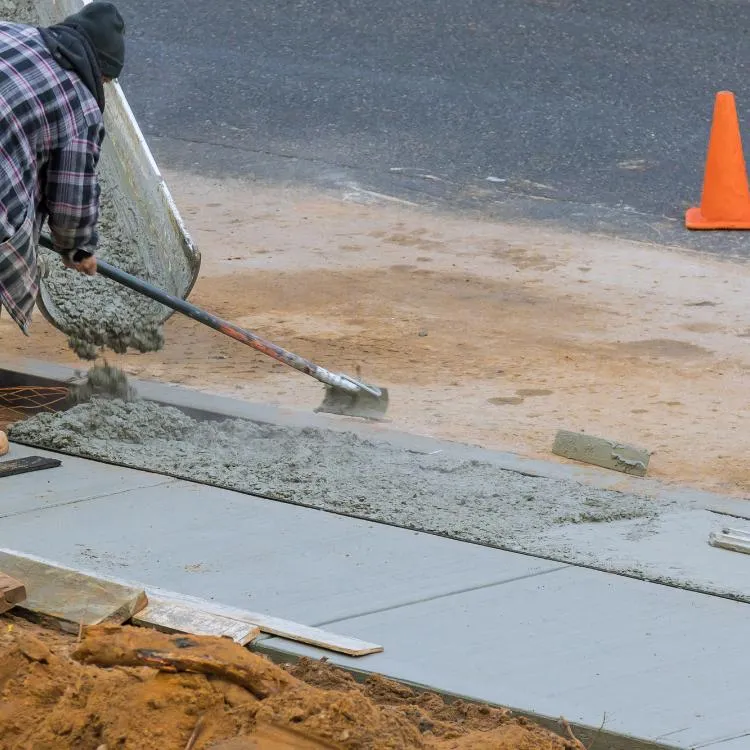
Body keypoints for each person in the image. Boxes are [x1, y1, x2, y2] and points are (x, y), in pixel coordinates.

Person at [0, 1, 125, 335]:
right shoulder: (82, 106)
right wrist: (77, 248)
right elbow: (71, 200)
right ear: (100, 72)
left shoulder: (10, 31)